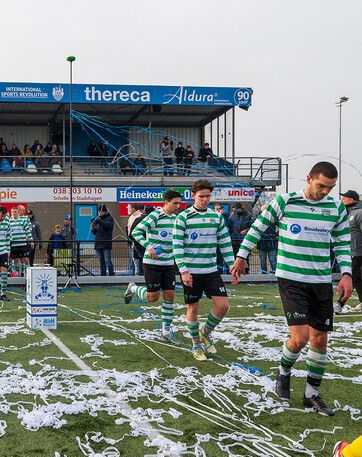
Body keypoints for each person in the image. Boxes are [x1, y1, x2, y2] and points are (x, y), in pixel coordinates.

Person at [231, 161, 352, 416]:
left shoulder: (336, 208)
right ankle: (284, 372)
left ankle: (311, 394)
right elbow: (258, 227)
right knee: (300, 338)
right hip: (291, 278)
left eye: (329, 188)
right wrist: (241, 256)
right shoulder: (285, 202)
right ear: (308, 178)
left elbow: (342, 244)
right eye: (320, 186)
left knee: (320, 339)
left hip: (320, 281)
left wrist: (346, 274)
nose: (324, 192)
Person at [173, 179, 235, 362]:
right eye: (202, 196)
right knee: (193, 308)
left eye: (208, 196)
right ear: (193, 196)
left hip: (211, 271)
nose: (205, 200)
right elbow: (177, 246)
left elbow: (224, 242)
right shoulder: (183, 217)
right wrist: (183, 271)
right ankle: (195, 344)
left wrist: (232, 265)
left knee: (223, 306)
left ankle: (204, 333)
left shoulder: (217, 218)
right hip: (191, 272)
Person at [125, 190, 183, 341]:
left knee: (170, 296)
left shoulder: (177, 219)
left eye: (179, 203)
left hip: (169, 263)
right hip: (153, 264)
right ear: (166, 202)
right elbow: (136, 232)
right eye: (174, 203)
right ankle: (132, 288)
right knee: (153, 298)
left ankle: (165, 331)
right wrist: (148, 247)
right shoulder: (155, 216)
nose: (177, 206)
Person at [335, 189, 362, 313]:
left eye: (344, 197)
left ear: (351, 200)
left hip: (358, 252)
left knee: (350, 276)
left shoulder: (359, 213)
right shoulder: (347, 213)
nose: (342, 200)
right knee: (355, 278)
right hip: (351, 251)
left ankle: (340, 304)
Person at [8, 206, 33, 278]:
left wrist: (31, 241)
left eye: (15, 211)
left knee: (25, 259)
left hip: (23, 243)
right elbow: (7, 233)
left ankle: (27, 274)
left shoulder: (23, 220)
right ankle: (16, 275)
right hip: (14, 244)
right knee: (16, 260)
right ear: (11, 213)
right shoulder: (9, 221)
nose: (14, 213)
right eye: (13, 212)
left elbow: (28, 231)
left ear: (17, 212)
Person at [91, 204, 115, 276]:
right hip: (99, 242)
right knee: (101, 260)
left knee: (107, 259)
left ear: (105, 211)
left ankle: (111, 273)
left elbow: (107, 226)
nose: (99, 213)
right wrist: (93, 227)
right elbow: (96, 232)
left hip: (106, 242)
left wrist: (98, 221)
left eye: (101, 211)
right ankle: (103, 273)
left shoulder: (109, 218)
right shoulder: (98, 219)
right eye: (98, 211)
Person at [256, 205, 278, 274]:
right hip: (262, 241)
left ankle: (274, 271)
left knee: (272, 258)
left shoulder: (273, 218)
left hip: (271, 241)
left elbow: (281, 225)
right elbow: (255, 228)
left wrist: (276, 234)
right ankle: (264, 272)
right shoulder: (259, 218)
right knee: (263, 258)